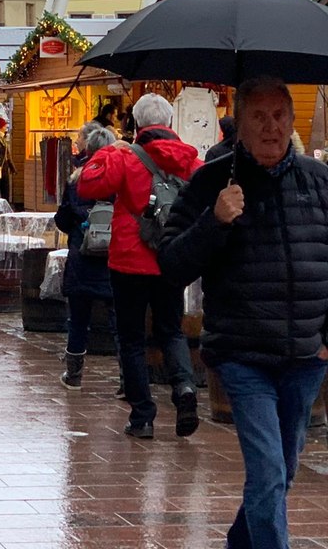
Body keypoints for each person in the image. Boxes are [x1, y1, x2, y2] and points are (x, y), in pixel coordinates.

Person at [159, 76, 328, 549]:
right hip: (242, 355)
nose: (271, 128)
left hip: (305, 358)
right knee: (269, 471)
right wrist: (214, 221)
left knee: (283, 470)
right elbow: (171, 264)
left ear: (292, 122)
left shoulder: (319, 183)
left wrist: (325, 340)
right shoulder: (213, 181)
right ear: (241, 125)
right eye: (259, 117)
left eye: (279, 116)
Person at [78, 92, 201, 439]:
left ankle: (142, 416)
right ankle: (185, 388)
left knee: (131, 338)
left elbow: (88, 185)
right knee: (171, 329)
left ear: (137, 123)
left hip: (130, 259)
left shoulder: (124, 156)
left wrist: (105, 151)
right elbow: (206, 194)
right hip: (171, 258)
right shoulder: (189, 159)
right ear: (170, 122)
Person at [54, 124, 118, 391]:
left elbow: (63, 219)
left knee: (78, 319)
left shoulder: (76, 180)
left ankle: (74, 375)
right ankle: (128, 379)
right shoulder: (122, 179)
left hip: (82, 258)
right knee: (120, 322)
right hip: (115, 260)